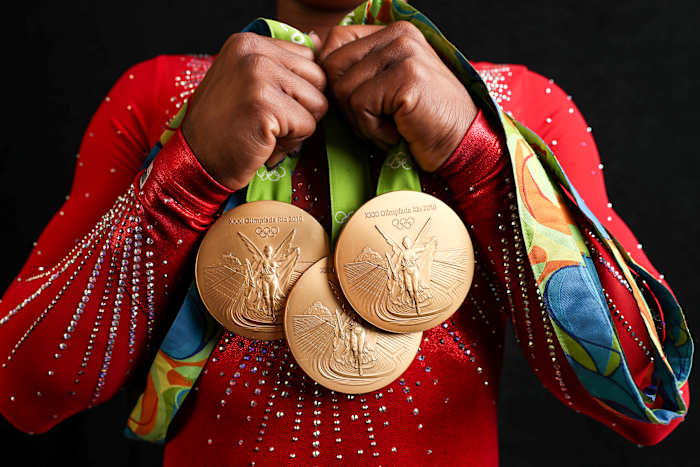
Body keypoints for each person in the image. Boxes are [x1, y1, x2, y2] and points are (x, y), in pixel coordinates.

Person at [0, 0, 690, 465]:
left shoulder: (517, 109)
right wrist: (190, 171)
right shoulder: (163, 98)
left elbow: (648, 401)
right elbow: (21, 389)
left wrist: (474, 152)